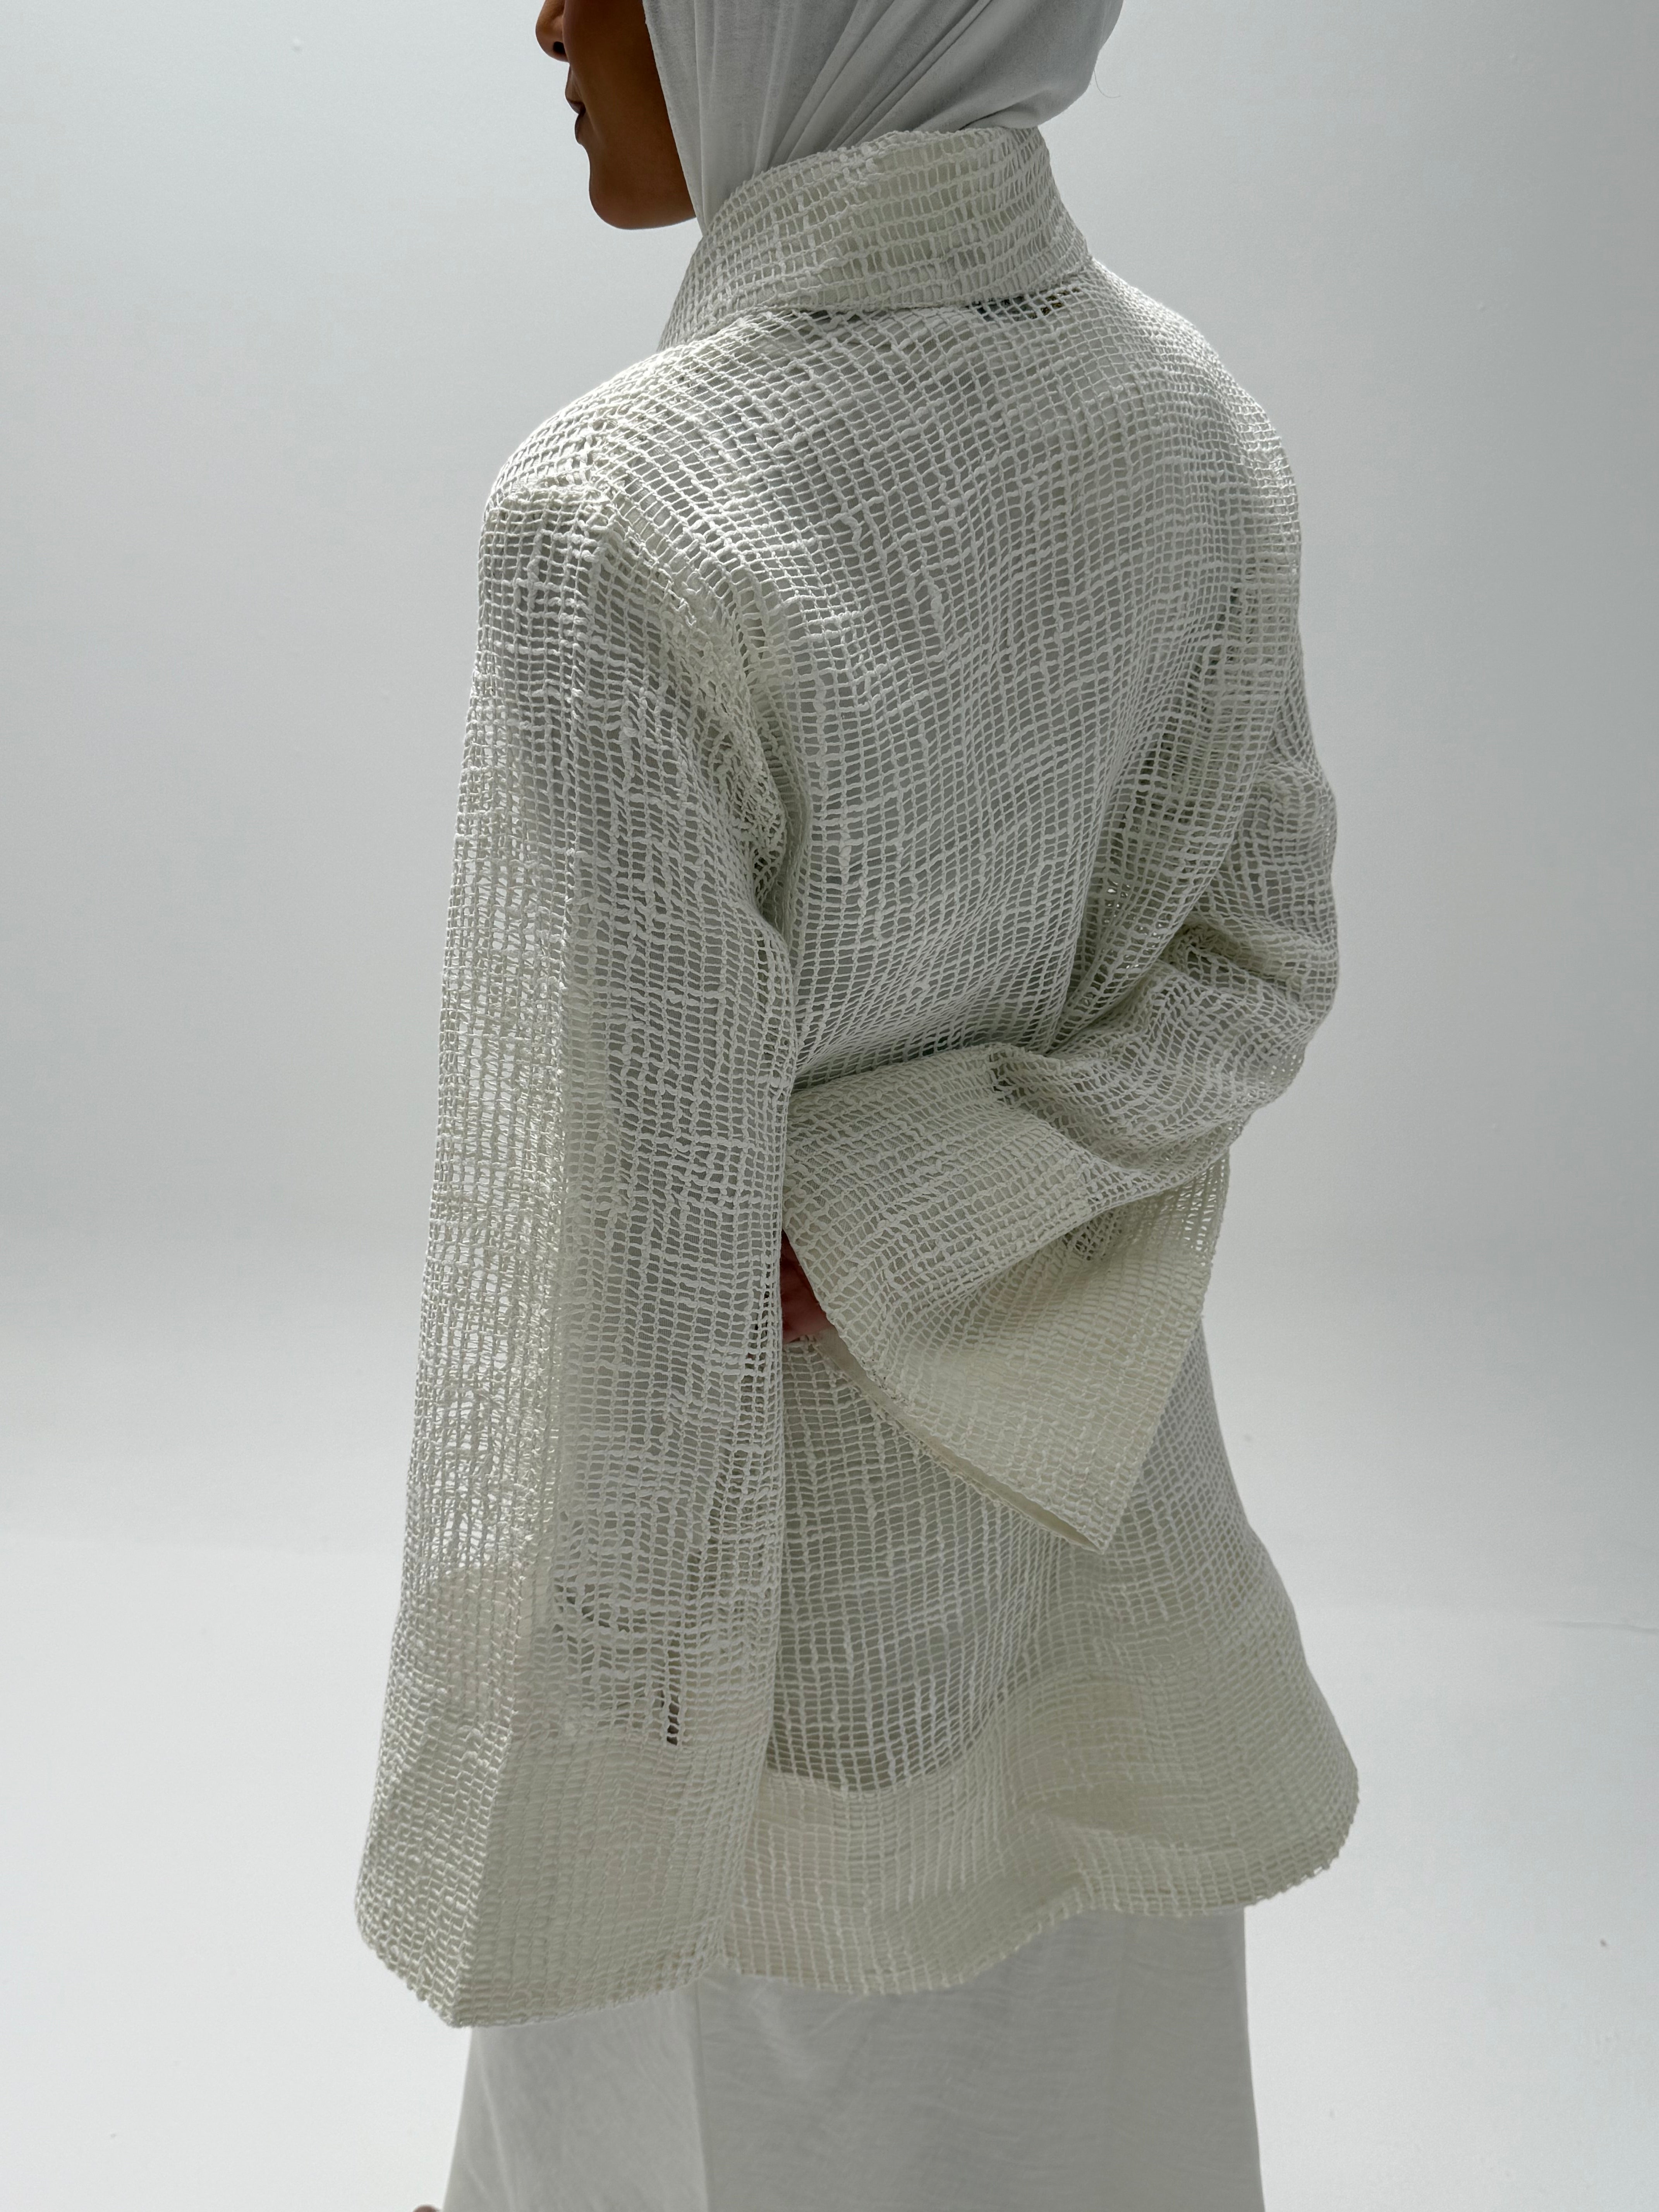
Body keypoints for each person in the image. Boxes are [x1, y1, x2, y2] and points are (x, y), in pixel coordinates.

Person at [373, 2, 1359, 2206]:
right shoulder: (1190, 419)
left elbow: (646, 1214)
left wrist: (596, 1722)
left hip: (750, 1636)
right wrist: (948, 1198)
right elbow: (1261, 969)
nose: (553, 15)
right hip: (1097, 1533)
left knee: (703, 2116)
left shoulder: (619, 515)